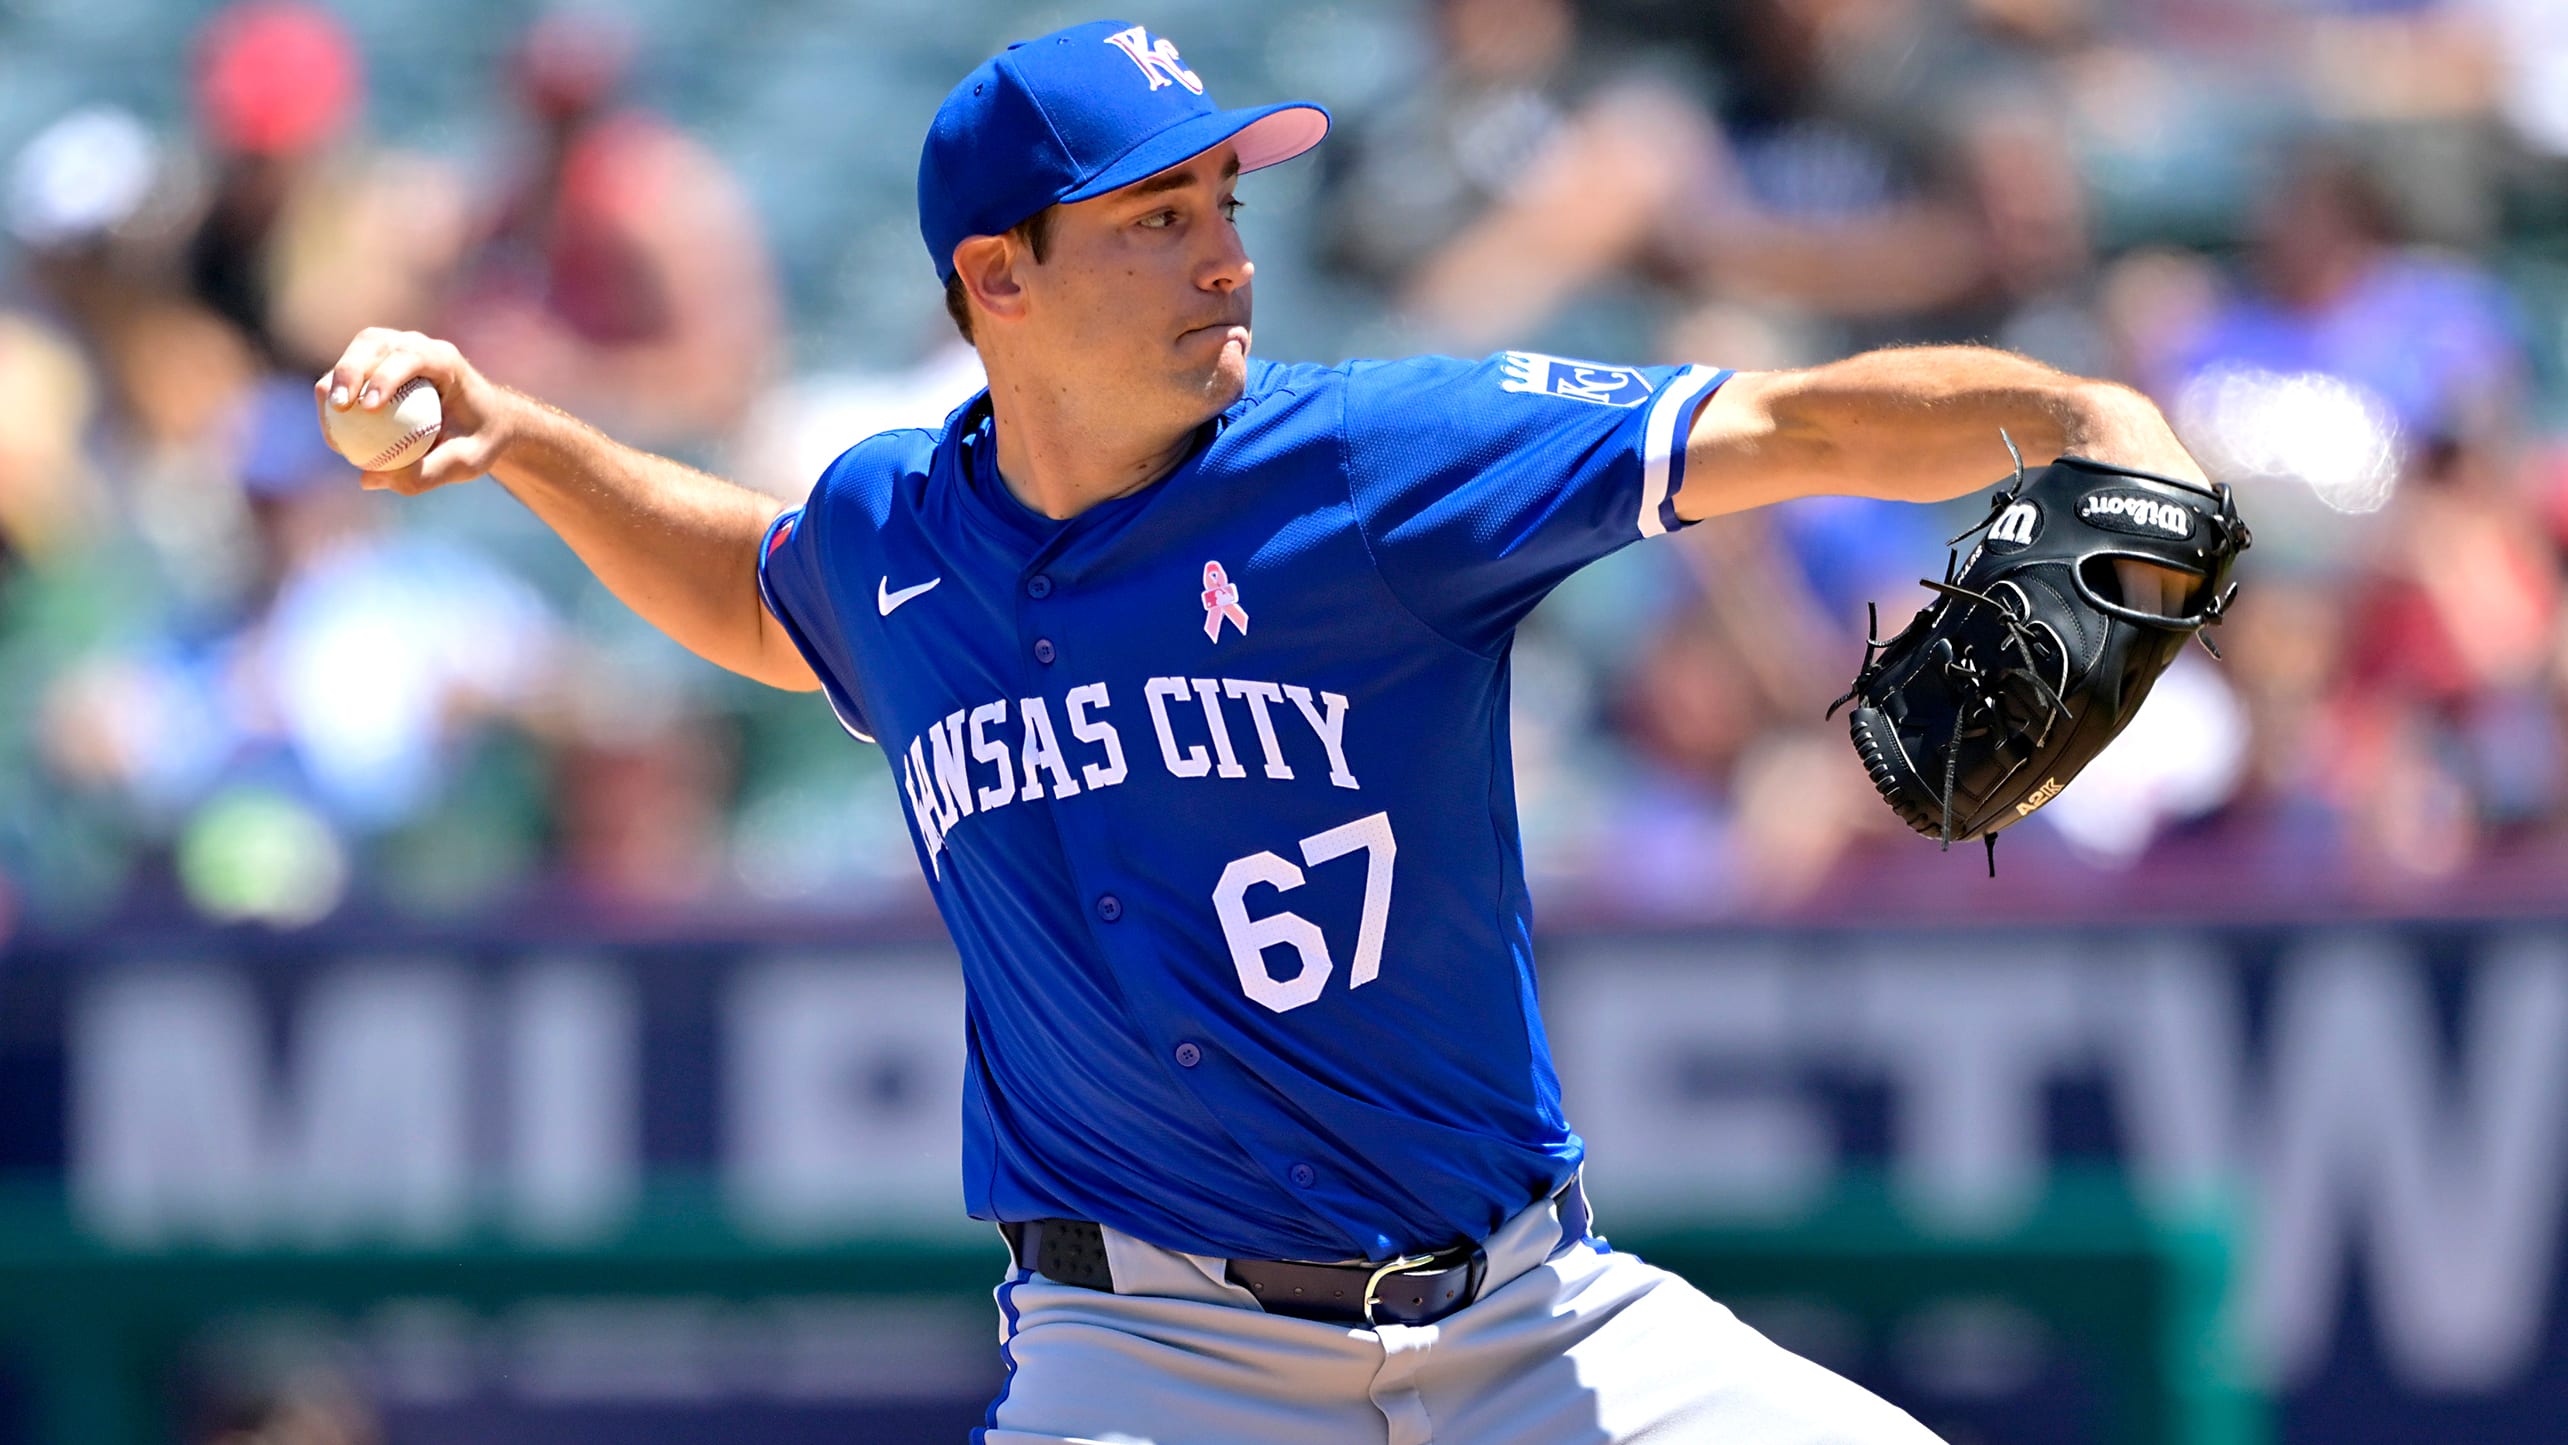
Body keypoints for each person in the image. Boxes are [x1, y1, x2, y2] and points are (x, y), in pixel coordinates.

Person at [318, 20, 2207, 1443]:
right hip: (1144, 1358)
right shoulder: (900, 533)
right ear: (998, 279)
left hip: (1529, 1330)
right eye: (1157, 216)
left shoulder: (1377, 466)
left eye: (1227, 200)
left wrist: (2084, 414)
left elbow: (1788, 427)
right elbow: (756, 591)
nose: (1226, 251)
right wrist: (523, 438)